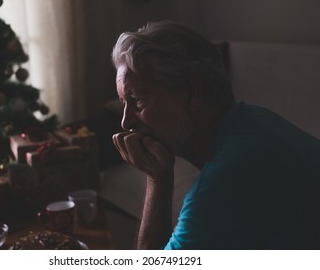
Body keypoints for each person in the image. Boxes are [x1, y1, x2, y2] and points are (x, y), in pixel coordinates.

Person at [111, 20, 320, 250]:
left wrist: (156, 179)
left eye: (138, 100)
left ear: (192, 93)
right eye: (123, 103)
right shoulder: (256, 120)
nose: (126, 122)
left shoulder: (225, 181)